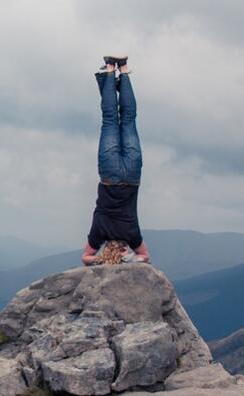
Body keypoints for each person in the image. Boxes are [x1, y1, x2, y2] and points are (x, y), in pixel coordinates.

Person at [82, 55, 151, 266]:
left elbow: (145, 257)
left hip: (132, 176)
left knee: (129, 120)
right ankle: (111, 68)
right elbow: (86, 258)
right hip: (109, 175)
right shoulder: (98, 233)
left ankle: (124, 68)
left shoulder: (132, 235)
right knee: (110, 119)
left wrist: (129, 258)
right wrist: (100, 260)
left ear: (124, 249)